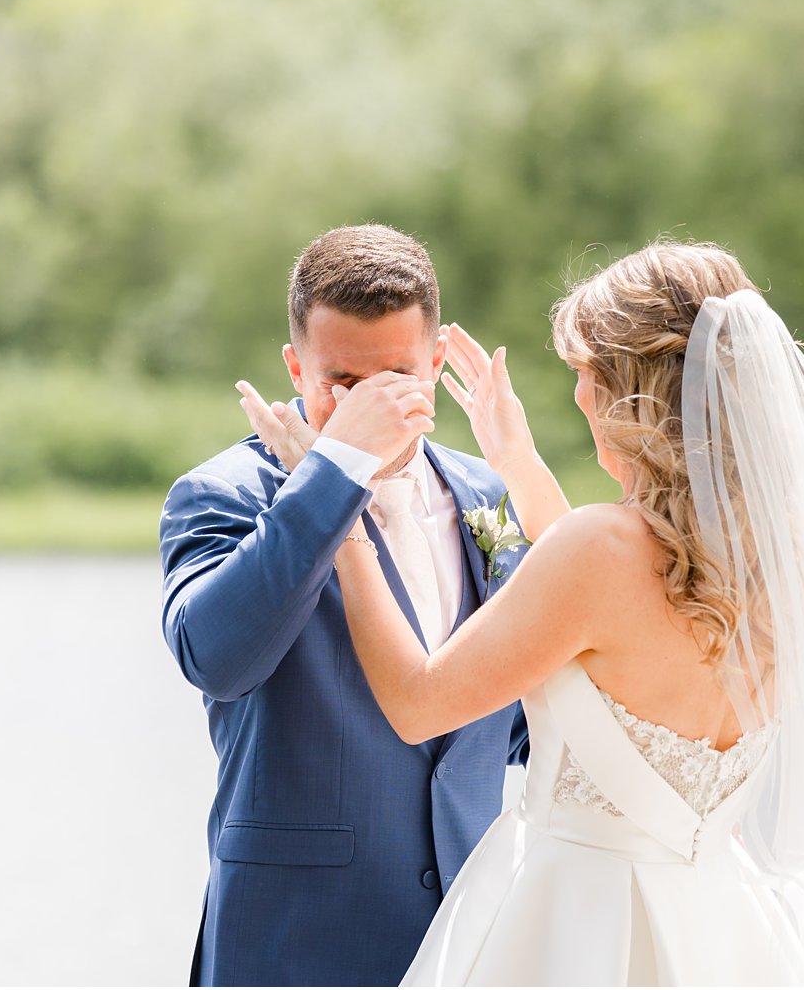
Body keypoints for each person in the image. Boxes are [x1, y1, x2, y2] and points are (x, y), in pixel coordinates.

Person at [245, 241, 804, 986]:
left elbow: (417, 703)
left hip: (570, 928)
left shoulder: (599, 549)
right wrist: (520, 464)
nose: (577, 397)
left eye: (585, 375)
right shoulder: (775, 559)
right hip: (720, 930)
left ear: (633, 392)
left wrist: (335, 503)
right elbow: (606, 639)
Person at [160, 224, 530, 987]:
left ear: (434, 362)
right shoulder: (225, 494)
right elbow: (216, 657)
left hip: (473, 938)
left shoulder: (487, 497)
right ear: (296, 367)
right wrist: (337, 471)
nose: (369, 408)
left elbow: (521, 717)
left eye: (396, 378)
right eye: (342, 383)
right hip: (298, 944)